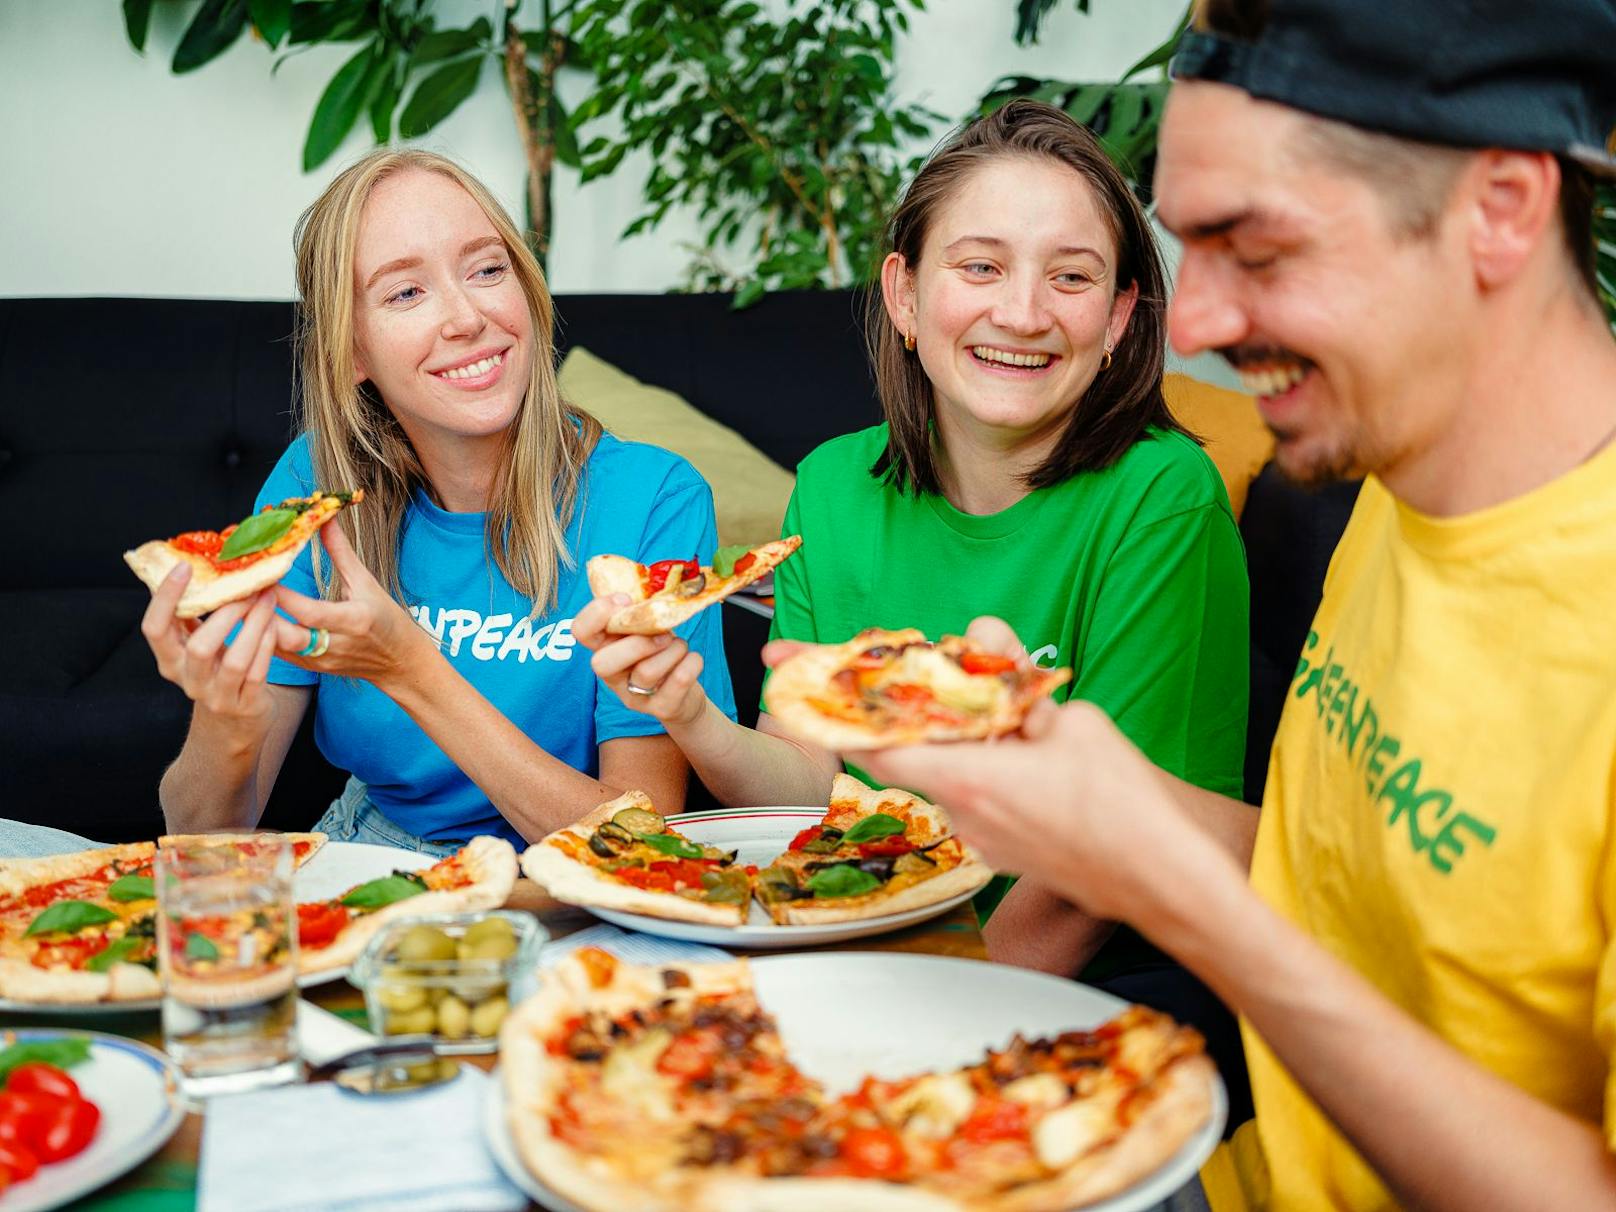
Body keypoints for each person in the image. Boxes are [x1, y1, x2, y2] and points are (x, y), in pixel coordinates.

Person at [845, 1, 1616, 1209]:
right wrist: (1072, 787)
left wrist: (1173, 894)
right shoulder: (1399, 492)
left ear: (1500, 209)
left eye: (1254, 252)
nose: (1188, 327)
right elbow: (1359, 880)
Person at [576, 101, 1251, 1039]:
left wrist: (921, 1022)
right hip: (877, 954)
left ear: (1118, 318)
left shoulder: (1165, 497)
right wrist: (687, 713)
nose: (1021, 312)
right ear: (903, 295)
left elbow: (1104, 866)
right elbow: (811, 783)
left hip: (1077, 992)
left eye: (1071, 277)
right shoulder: (833, 483)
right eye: (980, 267)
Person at [140, 149, 736, 854]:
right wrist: (224, 719)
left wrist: (410, 666)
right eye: (404, 293)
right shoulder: (314, 485)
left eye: (488, 270)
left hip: (568, 877)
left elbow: (638, 846)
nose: (465, 317)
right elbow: (201, 837)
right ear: (351, 351)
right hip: (370, 856)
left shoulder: (654, 497)